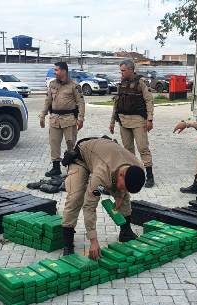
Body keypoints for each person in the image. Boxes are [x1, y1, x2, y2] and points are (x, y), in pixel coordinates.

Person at [61, 137, 146, 259]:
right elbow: (89, 206)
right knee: (76, 197)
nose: (124, 190)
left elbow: (125, 188)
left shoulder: (138, 167)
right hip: (82, 159)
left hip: (106, 154)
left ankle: (126, 232)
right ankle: (68, 242)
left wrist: (120, 195)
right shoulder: (101, 177)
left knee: (124, 196)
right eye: (124, 186)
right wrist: (93, 241)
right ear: (121, 175)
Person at [110, 59, 155, 188]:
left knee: (143, 148)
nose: (121, 73)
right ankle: (133, 174)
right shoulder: (121, 84)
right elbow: (116, 104)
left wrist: (150, 119)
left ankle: (150, 176)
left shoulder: (141, 83)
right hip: (123, 121)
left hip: (138, 121)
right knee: (128, 150)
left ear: (131, 69)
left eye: (123, 70)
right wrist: (112, 121)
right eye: (121, 70)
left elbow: (149, 101)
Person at [39, 61, 85, 177]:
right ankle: (56, 168)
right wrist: (43, 115)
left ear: (64, 71)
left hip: (69, 119)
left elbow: (81, 103)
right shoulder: (52, 84)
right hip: (54, 119)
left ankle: (72, 168)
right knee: (54, 144)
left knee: (70, 144)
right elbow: (47, 101)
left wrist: (80, 118)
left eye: (56, 70)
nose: (55, 72)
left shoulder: (74, 86)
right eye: (54, 70)